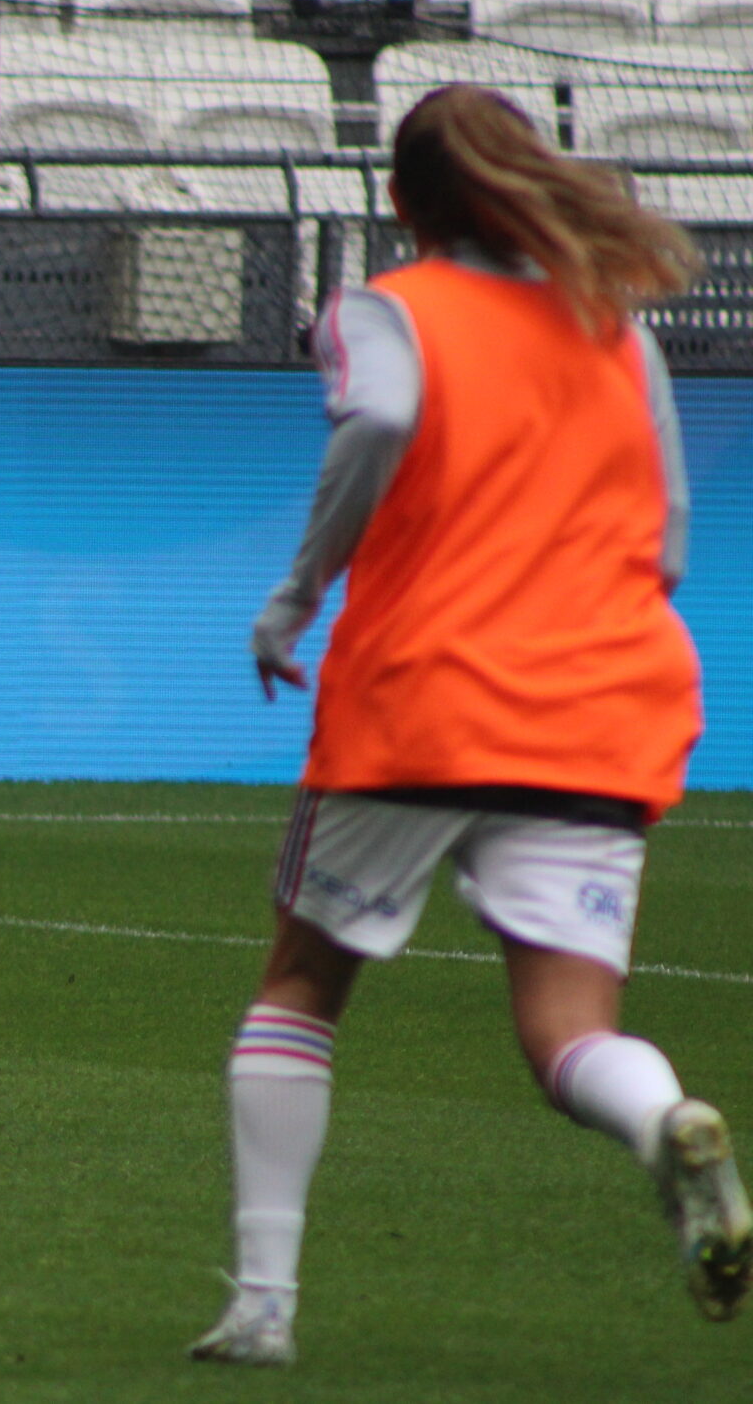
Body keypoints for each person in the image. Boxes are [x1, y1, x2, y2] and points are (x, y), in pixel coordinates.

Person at [196, 85, 749, 1365]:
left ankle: (262, 1310)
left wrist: (296, 596)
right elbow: (664, 531)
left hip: (426, 700)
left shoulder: (387, 311)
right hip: (604, 707)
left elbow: (381, 419)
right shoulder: (617, 329)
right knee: (570, 1032)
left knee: (300, 988)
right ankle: (667, 1120)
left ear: (400, 202)